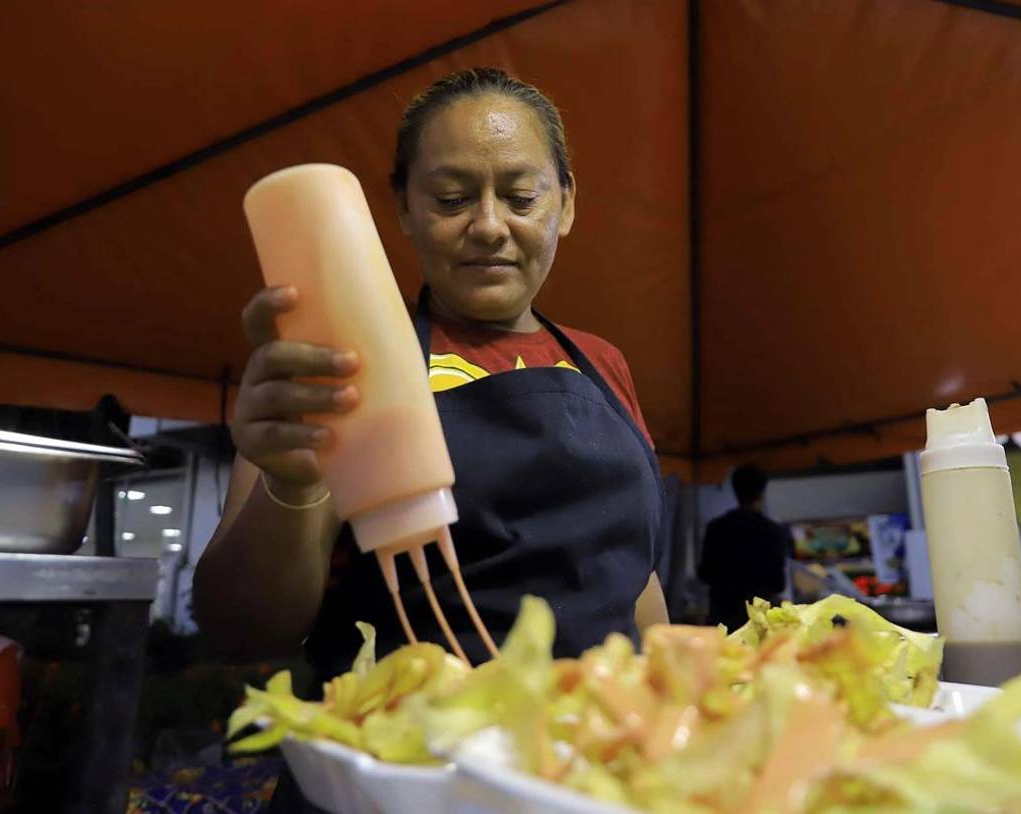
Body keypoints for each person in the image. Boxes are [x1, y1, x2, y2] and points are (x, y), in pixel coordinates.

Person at [191, 68, 668, 811]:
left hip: (593, 775)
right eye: (450, 199)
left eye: (521, 196)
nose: (487, 225)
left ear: (566, 204)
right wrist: (292, 481)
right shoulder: (334, 359)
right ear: (404, 210)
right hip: (400, 779)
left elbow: (628, 578)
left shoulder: (603, 363)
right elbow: (240, 626)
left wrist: (678, 708)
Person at [698, 465, 791, 630]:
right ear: (762, 492)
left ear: (735, 490)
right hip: (760, 620)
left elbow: (705, 573)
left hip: (723, 616)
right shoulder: (772, 531)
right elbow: (779, 582)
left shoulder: (716, 528)